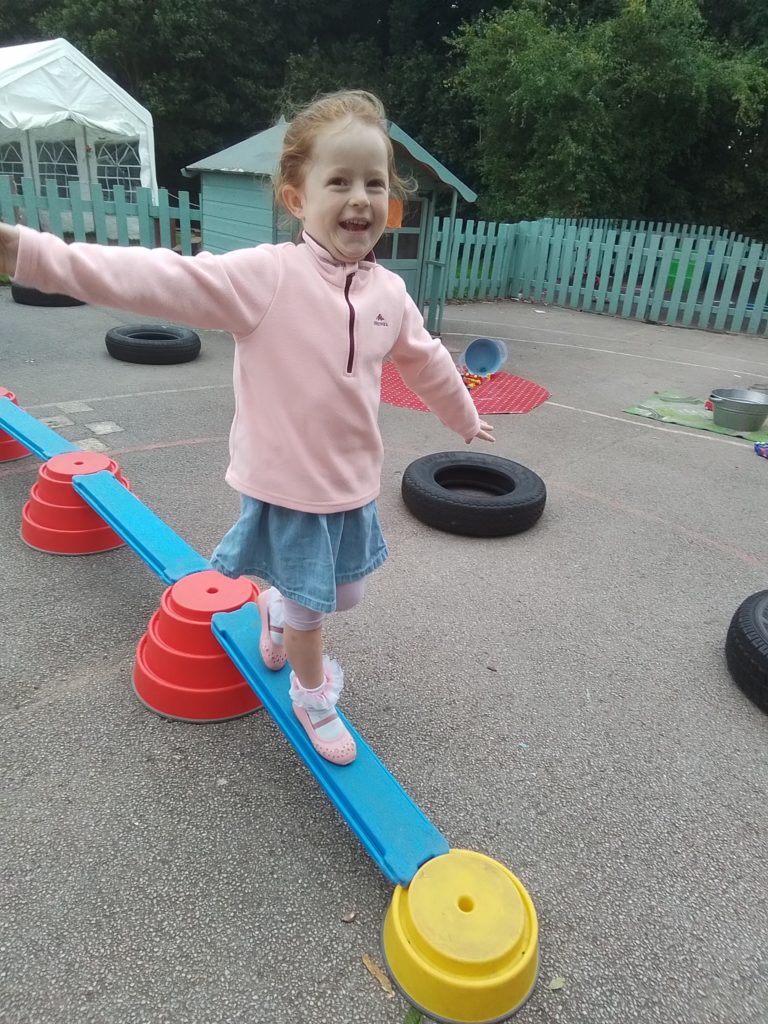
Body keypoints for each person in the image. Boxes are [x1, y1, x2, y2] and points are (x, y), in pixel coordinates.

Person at [0, 90, 494, 766]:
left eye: (374, 183)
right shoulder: (268, 278)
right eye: (339, 181)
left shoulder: (389, 293)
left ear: (392, 201)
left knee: (343, 592)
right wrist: (28, 253)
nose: (359, 198)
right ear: (296, 198)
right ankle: (313, 697)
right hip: (289, 484)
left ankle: (272, 609)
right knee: (315, 611)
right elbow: (156, 278)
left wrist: (463, 415)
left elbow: (426, 359)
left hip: (350, 482)